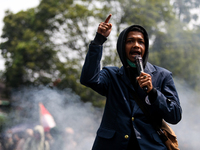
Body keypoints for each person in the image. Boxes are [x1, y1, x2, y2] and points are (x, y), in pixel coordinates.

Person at [80, 14, 182, 150]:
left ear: (146, 47)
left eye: (141, 42)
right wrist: (99, 40)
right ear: (122, 46)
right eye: (130, 41)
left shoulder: (162, 76)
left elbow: (175, 115)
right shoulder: (111, 75)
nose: (136, 45)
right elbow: (88, 79)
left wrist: (153, 93)